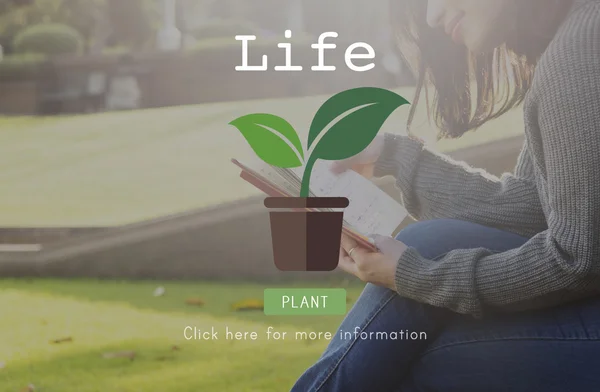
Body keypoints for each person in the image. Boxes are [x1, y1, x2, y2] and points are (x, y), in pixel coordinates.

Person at [291, 0, 600, 391]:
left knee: (415, 354)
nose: (433, 16)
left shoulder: (579, 51)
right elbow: (534, 209)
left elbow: (579, 259)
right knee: (427, 254)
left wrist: (414, 276)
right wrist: (392, 155)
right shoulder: (574, 39)